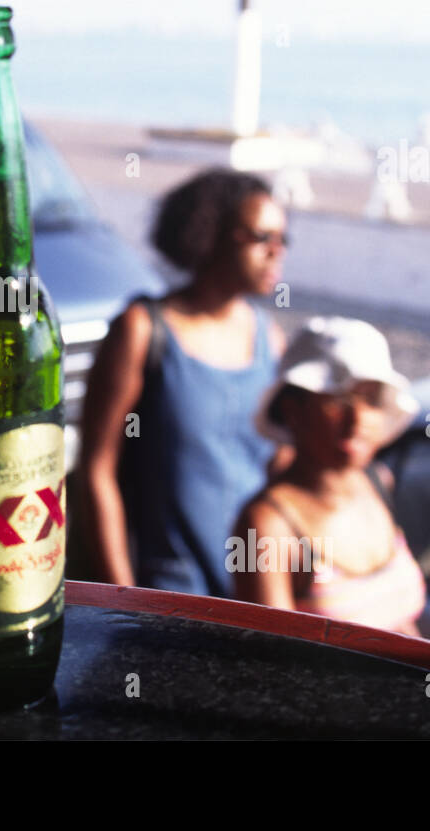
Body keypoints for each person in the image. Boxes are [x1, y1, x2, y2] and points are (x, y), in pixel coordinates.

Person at [77, 169, 287, 596]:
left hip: (257, 598)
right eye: (261, 238)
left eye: (283, 239)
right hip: (170, 597)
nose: (277, 253)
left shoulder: (271, 340)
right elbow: (96, 470)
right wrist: (125, 600)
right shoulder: (141, 331)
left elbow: (278, 467)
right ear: (210, 235)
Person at [233, 317, 425, 635]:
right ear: (294, 409)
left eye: (372, 399)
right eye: (338, 400)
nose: (357, 419)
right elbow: (272, 662)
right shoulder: (267, 529)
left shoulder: (378, 482)